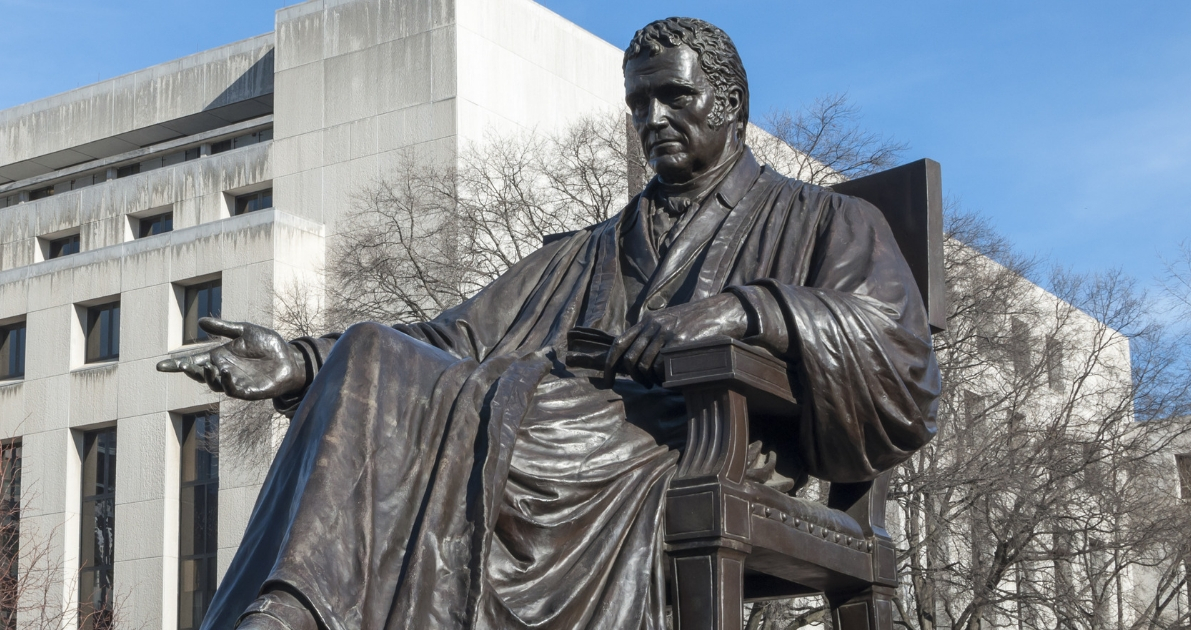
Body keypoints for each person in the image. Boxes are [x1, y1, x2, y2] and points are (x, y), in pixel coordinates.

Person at [159, 17, 939, 630]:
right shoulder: (590, 248)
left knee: (495, 421)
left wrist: (744, 309)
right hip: (567, 420)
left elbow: (898, 354)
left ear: (730, 104)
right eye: (639, 104)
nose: (654, 118)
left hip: (707, 442)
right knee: (374, 352)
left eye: (675, 97)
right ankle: (293, 607)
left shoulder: (831, 218)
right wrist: (299, 361)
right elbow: (455, 338)